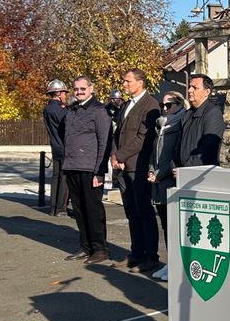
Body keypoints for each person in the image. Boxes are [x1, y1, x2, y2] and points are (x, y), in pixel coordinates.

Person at [111, 69, 162, 274]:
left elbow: (143, 138)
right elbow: (118, 133)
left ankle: (151, 257)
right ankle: (136, 252)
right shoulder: (125, 105)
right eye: (124, 81)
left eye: (128, 81)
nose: (124, 84)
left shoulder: (150, 105)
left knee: (144, 212)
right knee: (131, 212)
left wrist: (121, 155)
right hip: (123, 166)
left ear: (140, 82)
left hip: (138, 166)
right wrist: (115, 156)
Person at [63, 76, 113, 264]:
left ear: (91, 88)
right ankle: (85, 247)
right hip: (73, 166)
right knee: (79, 210)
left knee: (93, 211)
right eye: (76, 89)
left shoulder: (99, 111)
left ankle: (100, 249)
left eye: (82, 89)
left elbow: (104, 142)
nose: (79, 92)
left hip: (90, 169)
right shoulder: (72, 111)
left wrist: (99, 172)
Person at [147, 91, 187, 282]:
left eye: (168, 105)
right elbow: (154, 153)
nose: (164, 109)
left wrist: (160, 173)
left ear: (179, 105)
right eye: (162, 106)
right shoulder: (160, 126)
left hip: (169, 180)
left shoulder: (180, 124)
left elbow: (173, 154)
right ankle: (170, 262)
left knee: (173, 226)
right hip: (157, 180)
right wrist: (150, 170)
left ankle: (177, 265)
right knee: (164, 223)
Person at [174, 73, 226, 167]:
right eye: (190, 87)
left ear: (207, 92)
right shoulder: (187, 114)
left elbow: (207, 148)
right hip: (181, 173)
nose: (189, 90)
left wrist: (185, 169)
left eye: (195, 87)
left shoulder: (213, 113)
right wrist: (174, 166)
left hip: (199, 175)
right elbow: (177, 145)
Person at [42, 78, 69, 216]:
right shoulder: (60, 110)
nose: (65, 96)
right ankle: (61, 208)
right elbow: (68, 127)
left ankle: (53, 207)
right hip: (65, 147)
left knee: (55, 177)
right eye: (64, 93)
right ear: (58, 93)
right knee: (64, 178)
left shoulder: (47, 108)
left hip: (55, 146)